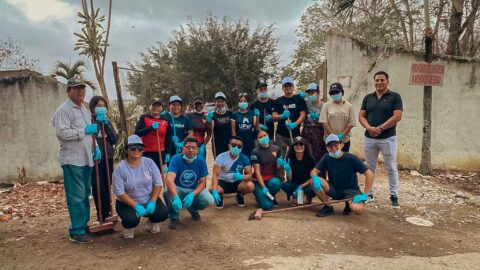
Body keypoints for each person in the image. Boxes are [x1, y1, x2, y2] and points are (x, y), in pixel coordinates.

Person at [52, 78, 100, 244]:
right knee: (77, 196)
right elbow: (62, 133)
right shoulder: (64, 110)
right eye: (76, 89)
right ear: (68, 91)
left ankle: (83, 225)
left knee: (85, 194)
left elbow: (90, 134)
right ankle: (77, 231)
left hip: (86, 159)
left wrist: (95, 148)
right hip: (73, 160)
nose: (80, 91)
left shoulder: (84, 109)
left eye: (82, 89)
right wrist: (83, 131)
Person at [359, 71, 403, 208]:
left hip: (388, 138)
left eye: (382, 80)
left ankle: (394, 195)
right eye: (377, 80)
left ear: (387, 81)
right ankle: (369, 193)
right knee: (369, 167)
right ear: (374, 82)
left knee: (390, 166)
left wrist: (380, 128)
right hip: (369, 138)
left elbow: (397, 116)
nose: (379, 82)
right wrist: (369, 128)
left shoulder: (395, 97)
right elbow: (361, 116)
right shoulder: (368, 98)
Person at [112, 135, 169, 239]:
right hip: (127, 202)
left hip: (148, 198)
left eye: (140, 148)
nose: (137, 150)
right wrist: (135, 205)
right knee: (131, 220)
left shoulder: (149, 162)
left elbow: (158, 183)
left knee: (163, 214)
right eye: (133, 148)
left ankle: (152, 222)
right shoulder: (119, 169)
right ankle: (128, 227)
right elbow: (119, 192)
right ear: (126, 150)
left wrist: (152, 201)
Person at [310, 134, 374, 217]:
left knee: (357, 209)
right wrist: (314, 177)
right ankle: (328, 206)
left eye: (336, 144)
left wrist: (365, 194)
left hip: (351, 191)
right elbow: (314, 171)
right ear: (327, 148)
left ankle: (349, 204)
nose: (333, 148)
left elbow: (369, 174)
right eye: (330, 146)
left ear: (341, 145)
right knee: (313, 181)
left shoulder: (351, 158)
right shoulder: (327, 157)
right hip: (334, 189)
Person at [163, 137, 214, 229]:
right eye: (188, 147)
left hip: (193, 189)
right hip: (178, 188)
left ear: (197, 150)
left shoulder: (201, 160)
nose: (191, 150)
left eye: (194, 147)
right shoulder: (175, 159)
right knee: (167, 193)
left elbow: (202, 182)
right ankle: (174, 217)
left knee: (209, 200)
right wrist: (175, 196)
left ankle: (193, 209)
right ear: (182, 148)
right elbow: (169, 179)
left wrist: (192, 194)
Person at [88, 95, 118, 223]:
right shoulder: (89, 120)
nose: (102, 108)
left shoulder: (106, 121)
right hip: (96, 159)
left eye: (103, 106)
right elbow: (88, 137)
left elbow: (114, 139)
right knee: (98, 187)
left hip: (108, 157)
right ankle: (101, 214)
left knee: (107, 185)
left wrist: (106, 125)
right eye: (99, 106)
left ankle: (108, 213)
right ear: (93, 107)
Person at [210, 136, 255, 209]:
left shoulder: (244, 158)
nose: (236, 148)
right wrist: (214, 190)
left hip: (237, 182)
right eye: (234, 145)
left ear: (242, 147)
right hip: (223, 182)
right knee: (211, 188)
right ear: (229, 145)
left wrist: (242, 177)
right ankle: (220, 197)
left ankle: (240, 195)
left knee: (250, 186)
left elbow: (250, 175)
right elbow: (215, 174)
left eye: (239, 146)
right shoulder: (221, 157)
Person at [134, 97, 172, 172]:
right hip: (146, 153)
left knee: (160, 175)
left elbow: (168, 138)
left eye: (158, 106)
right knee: (146, 175)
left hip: (160, 153)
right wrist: (151, 128)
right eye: (154, 105)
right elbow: (137, 133)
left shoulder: (166, 120)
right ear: (150, 107)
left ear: (161, 108)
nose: (156, 107)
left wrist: (168, 153)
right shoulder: (144, 117)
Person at [271, 77, 308, 154]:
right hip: (281, 136)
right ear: (282, 88)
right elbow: (274, 116)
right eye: (286, 86)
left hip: (295, 135)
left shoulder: (299, 99)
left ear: (293, 87)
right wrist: (282, 116)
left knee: (294, 157)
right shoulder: (278, 101)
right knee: (281, 158)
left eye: (290, 86)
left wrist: (295, 124)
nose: (288, 88)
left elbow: (303, 115)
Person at [250, 131, 285, 210]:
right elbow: (257, 171)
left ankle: (271, 195)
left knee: (277, 183)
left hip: (271, 179)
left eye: (265, 135)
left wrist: (281, 164)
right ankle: (258, 196)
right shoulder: (255, 152)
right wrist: (263, 187)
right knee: (267, 206)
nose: (263, 138)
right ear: (257, 140)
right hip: (258, 181)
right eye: (260, 137)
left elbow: (278, 167)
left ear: (268, 136)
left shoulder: (276, 149)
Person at [320, 82, 356, 152]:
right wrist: (333, 135)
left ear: (342, 92)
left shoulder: (349, 106)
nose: (335, 94)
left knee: (343, 160)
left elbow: (351, 123)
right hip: (330, 140)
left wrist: (342, 135)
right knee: (331, 160)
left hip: (344, 140)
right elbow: (324, 121)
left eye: (337, 92)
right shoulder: (326, 105)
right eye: (332, 93)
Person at [281, 136, 316, 205]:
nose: (298, 146)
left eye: (301, 144)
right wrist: (288, 170)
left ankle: (308, 197)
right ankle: (294, 196)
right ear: (293, 147)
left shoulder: (310, 158)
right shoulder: (290, 158)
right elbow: (289, 179)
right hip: (295, 182)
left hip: (307, 183)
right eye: (296, 145)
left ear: (305, 146)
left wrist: (302, 186)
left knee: (312, 188)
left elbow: (313, 177)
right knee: (285, 185)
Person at [301, 83, 327, 163]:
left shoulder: (324, 106)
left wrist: (318, 118)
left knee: (319, 157)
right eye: (309, 93)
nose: (310, 95)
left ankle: (319, 174)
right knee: (307, 156)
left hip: (319, 134)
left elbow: (326, 123)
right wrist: (299, 96)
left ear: (318, 93)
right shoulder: (306, 103)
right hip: (306, 133)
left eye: (312, 92)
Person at [207, 92, 233, 158]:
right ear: (215, 103)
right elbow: (210, 129)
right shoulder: (213, 115)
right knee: (219, 165)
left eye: (222, 101)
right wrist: (209, 121)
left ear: (225, 102)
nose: (220, 103)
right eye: (218, 101)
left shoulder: (230, 113)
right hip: (217, 144)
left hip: (229, 143)